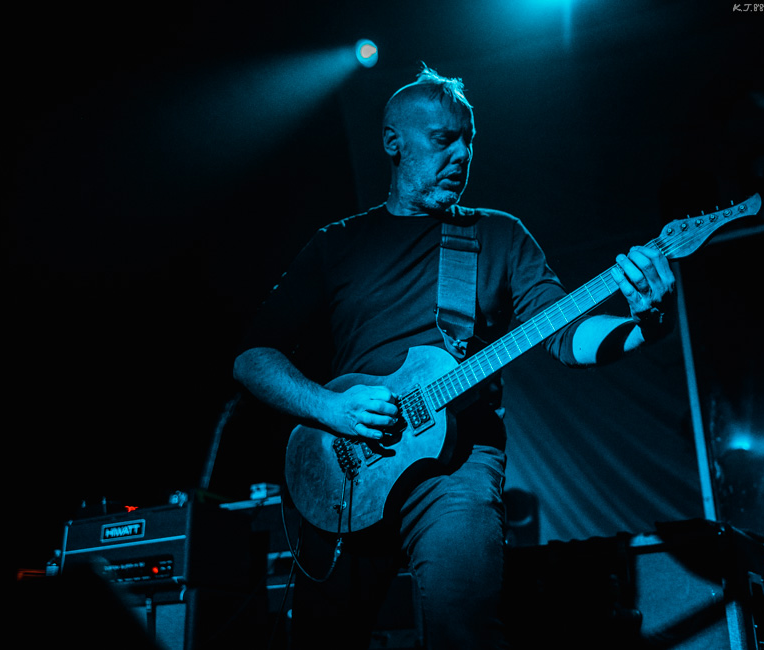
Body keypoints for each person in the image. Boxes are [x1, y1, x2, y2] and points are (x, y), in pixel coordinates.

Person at [232, 64, 675, 649]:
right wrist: (331, 409)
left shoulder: (499, 236)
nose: (462, 154)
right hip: (346, 466)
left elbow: (568, 338)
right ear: (394, 141)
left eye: (469, 140)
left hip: (458, 462)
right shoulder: (337, 244)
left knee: (463, 626)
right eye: (443, 139)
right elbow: (252, 358)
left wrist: (647, 322)